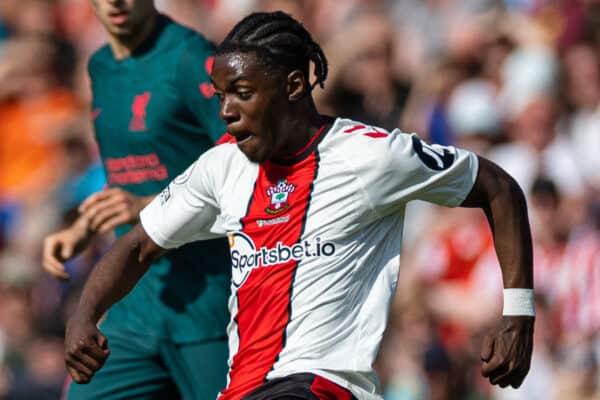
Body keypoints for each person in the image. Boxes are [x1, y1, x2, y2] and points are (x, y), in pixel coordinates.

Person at [64, 11, 535, 400]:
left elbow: (498, 187)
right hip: (244, 390)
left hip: (324, 387)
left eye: (242, 94)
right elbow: (140, 246)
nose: (226, 111)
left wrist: (518, 315)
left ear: (292, 86)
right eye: (222, 96)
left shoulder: (370, 156)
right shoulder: (220, 168)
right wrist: (83, 318)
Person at [42, 1, 231, 399]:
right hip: (136, 303)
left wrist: (148, 205)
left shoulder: (191, 58)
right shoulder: (100, 67)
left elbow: (246, 175)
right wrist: (85, 225)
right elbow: (132, 171)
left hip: (210, 306)